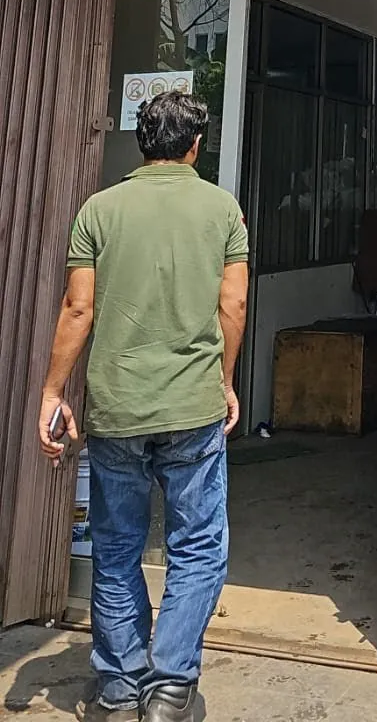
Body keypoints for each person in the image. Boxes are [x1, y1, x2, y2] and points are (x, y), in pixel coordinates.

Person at [38, 91, 249, 722]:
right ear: (195, 146)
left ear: (141, 141)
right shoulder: (222, 209)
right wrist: (224, 381)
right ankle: (171, 688)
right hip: (192, 408)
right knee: (198, 547)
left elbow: (78, 308)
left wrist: (53, 391)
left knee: (116, 546)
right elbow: (233, 306)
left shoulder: (98, 209)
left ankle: (119, 686)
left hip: (117, 408)